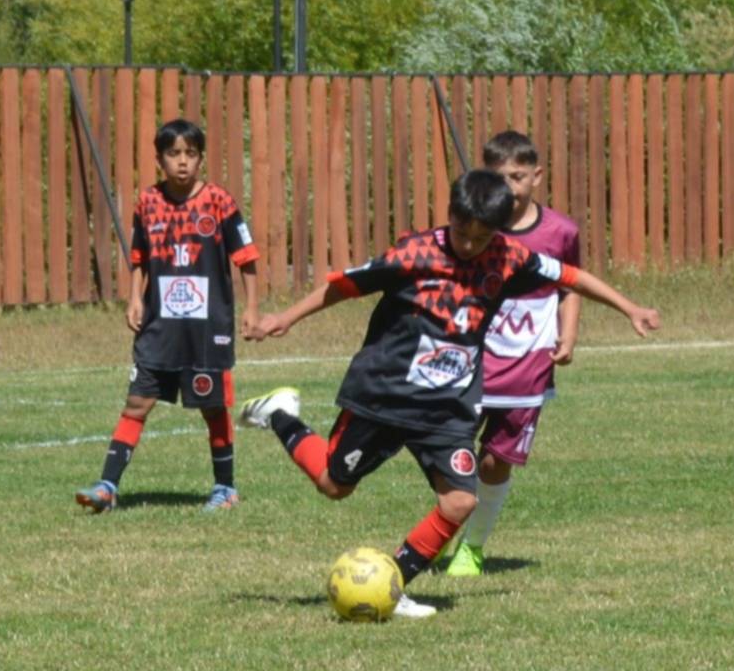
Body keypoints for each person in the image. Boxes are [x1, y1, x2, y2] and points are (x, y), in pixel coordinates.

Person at [238, 170, 660, 619]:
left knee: (460, 501)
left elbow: (571, 276)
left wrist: (629, 308)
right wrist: (285, 318)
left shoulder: (509, 256)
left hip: (448, 408)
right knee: (333, 484)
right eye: (463, 233)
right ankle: (280, 412)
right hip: (385, 393)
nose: (470, 244)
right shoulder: (415, 253)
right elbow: (342, 284)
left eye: (482, 237)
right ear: (450, 216)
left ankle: (394, 586)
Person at [75, 119, 260, 514]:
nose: (182, 162)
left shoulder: (219, 202)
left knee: (213, 408)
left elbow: (246, 258)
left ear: (200, 158)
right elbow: (139, 257)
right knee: (137, 403)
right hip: (160, 326)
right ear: (159, 159)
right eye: (174, 154)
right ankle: (107, 487)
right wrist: (134, 298)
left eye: (190, 154)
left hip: (207, 328)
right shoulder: (148, 202)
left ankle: (225, 488)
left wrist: (252, 309)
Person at [443, 131, 581, 577]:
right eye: (499, 177)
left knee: (494, 460)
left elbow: (570, 286)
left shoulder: (561, 232)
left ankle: (472, 547)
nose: (510, 187)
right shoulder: (477, 229)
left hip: (528, 366)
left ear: (536, 176)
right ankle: (439, 530)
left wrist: (568, 335)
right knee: (451, 454)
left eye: (518, 177)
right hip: (473, 363)